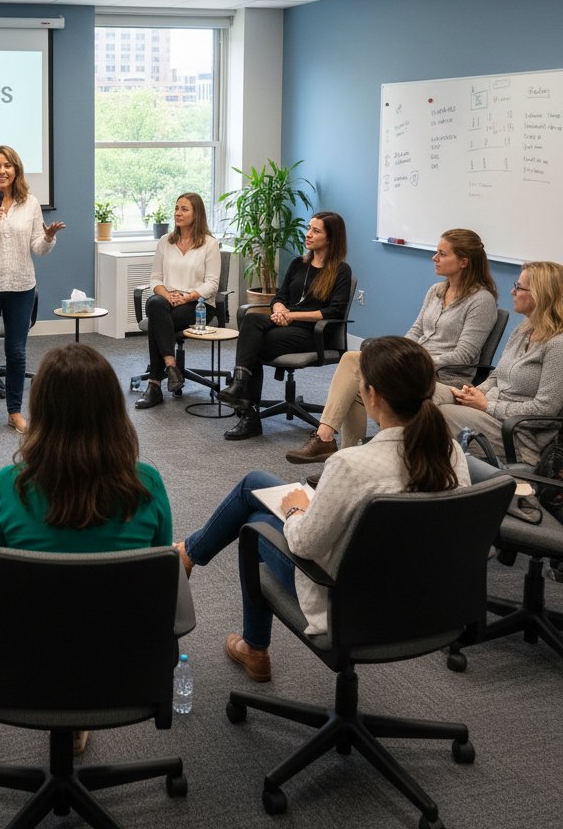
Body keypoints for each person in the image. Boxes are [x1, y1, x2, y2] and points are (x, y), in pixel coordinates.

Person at [177, 337, 468, 683]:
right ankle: (190, 555)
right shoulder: (450, 452)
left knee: (254, 526)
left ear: (372, 396)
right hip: (422, 599)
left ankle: (253, 645)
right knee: (256, 481)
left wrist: (298, 511)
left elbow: (305, 546)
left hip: (352, 602)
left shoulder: (351, 464)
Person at [0, 342, 172, 755]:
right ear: (112, 411)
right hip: (126, 663)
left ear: (42, 411)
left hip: (26, 664)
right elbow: (167, 579)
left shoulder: (6, 486)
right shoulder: (147, 485)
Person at [285, 228, 498, 464]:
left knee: (355, 361)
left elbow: (465, 354)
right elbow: (416, 330)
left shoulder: (482, 300)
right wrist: (400, 352)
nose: (434, 258)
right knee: (357, 379)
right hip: (413, 367)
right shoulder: (437, 291)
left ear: (463, 262)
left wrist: (414, 360)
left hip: (447, 382)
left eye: (442, 254)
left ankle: (328, 443)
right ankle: (343, 459)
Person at [218, 211, 351, 441]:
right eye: (309, 228)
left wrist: (293, 316)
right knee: (251, 320)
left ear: (330, 238)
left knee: (255, 344)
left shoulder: (341, 271)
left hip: (313, 334)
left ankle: (248, 410)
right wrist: (279, 309)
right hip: (287, 324)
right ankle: (242, 389)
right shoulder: (299, 264)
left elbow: (334, 312)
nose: (308, 234)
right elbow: (280, 296)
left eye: (316, 231)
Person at [0, 145, 65, 440]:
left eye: (7, 166)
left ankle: (15, 412)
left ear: (16, 170)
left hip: (21, 286)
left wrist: (48, 237)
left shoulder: (30, 203)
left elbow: (38, 249)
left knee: (17, 353)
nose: (2, 171)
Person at [436, 260, 563, 465]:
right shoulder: (523, 331)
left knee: (436, 415)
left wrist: (487, 405)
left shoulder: (558, 345)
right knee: (425, 392)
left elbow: (545, 410)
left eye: (519, 287)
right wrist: (475, 392)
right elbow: (496, 376)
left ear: (541, 294)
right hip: (490, 410)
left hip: (519, 434)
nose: (512, 291)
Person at [134, 192, 221, 410]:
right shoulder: (166, 241)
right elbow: (155, 278)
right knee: (154, 304)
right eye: (176, 208)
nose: (177, 213)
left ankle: (155, 385)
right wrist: (167, 295)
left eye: (184, 209)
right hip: (168, 301)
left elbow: (212, 284)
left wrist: (188, 297)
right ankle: (171, 366)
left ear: (196, 214)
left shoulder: (210, 244)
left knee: (156, 321)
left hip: (198, 306)